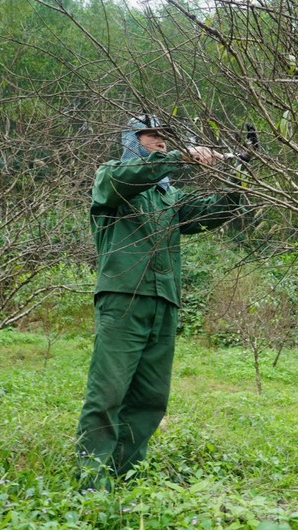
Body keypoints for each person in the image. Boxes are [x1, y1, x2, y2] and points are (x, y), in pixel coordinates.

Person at [76, 115, 240, 489]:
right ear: (131, 139)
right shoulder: (111, 177)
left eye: (167, 137)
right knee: (108, 395)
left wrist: (240, 177)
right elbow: (127, 180)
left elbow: (216, 211)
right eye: (153, 135)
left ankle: (126, 476)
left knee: (151, 398)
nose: (162, 141)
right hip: (123, 301)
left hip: (163, 303)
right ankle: (91, 485)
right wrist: (183, 157)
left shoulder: (169, 196)